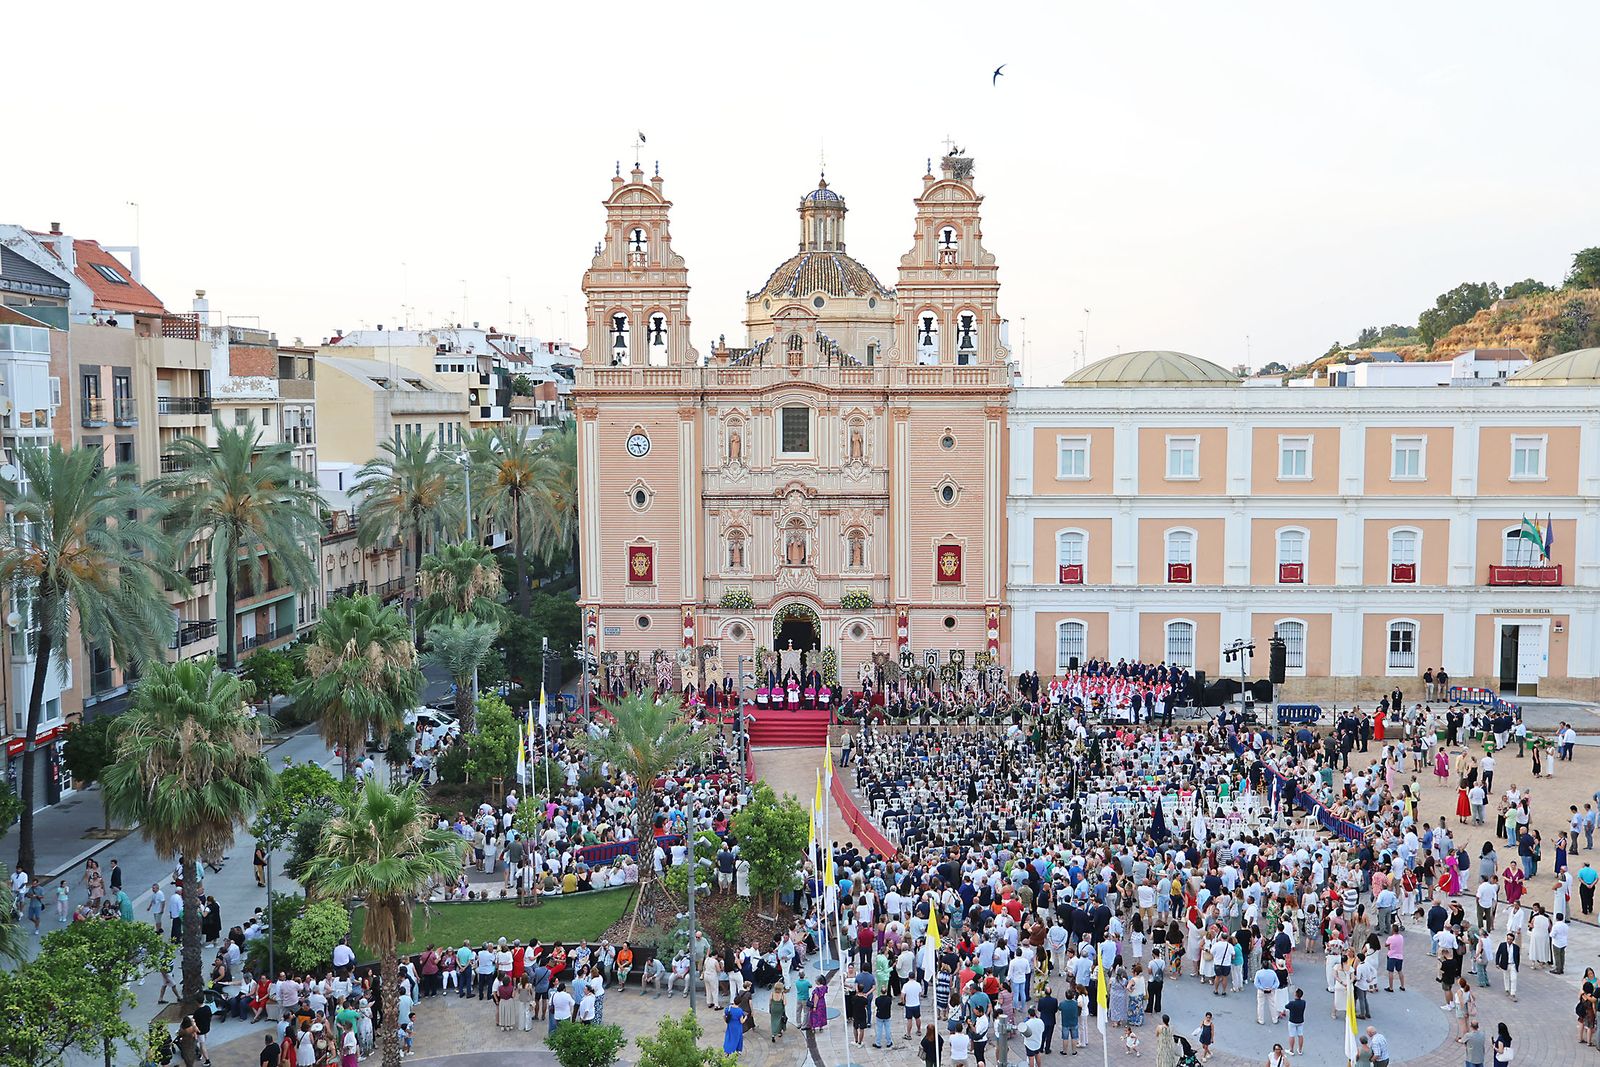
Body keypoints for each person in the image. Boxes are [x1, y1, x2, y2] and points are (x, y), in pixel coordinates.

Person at [1284, 988, 1307, 1057]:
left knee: (1292, 1035)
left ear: (1296, 995)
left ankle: (1291, 1050)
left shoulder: (1292, 1003)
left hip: (1292, 1021)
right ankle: (1300, 1050)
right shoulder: (1303, 1002)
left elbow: (1286, 1006)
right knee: (1300, 1035)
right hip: (1300, 1021)